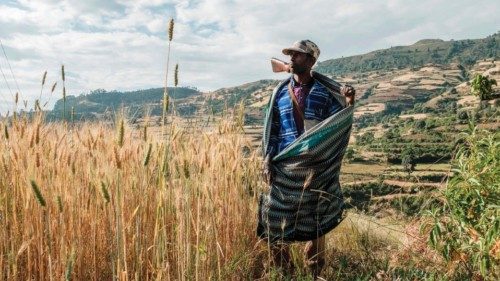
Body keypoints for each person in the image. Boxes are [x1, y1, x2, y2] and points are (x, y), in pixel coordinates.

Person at [257, 40, 355, 278]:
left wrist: (349, 103)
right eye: (291, 55)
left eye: (298, 55)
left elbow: (336, 126)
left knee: (317, 225)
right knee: (273, 224)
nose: (292, 58)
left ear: (311, 61)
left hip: (317, 169)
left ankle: (314, 274)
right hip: (284, 168)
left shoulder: (325, 94)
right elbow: (273, 129)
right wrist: (267, 159)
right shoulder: (279, 93)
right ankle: (286, 273)